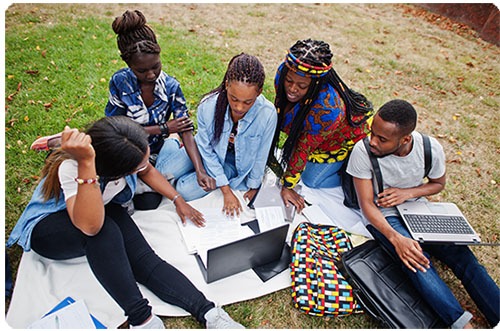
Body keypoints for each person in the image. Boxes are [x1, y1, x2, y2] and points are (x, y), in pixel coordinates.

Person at [7, 116, 245, 329]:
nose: (145, 166)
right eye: (137, 166)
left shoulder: (117, 146)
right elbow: (90, 226)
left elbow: (147, 169)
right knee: (104, 232)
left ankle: (209, 313)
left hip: (101, 207)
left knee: (145, 261)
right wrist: (87, 164)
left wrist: (177, 199)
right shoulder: (73, 167)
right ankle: (142, 320)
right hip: (49, 228)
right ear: (114, 171)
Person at [346, 99, 499, 328]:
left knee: (465, 258)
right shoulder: (362, 152)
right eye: (372, 133)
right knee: (418, 262)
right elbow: (367, 205)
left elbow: (438, 184)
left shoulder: (430, 148)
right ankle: (461, 324)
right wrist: (396, 238)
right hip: (385, 216)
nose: (372, 141)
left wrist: (408, 193)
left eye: (382, 139)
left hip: (418, 209)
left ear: (405, 139)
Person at [105, 9, 215, 206]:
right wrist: (164, 128)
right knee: (136, 200)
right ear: (128, 64)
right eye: (141, 70)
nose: (150, 75)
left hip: (157, 154)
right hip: (129, 154)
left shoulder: (171, 87)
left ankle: (159, 170)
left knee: (150, 198)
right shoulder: (120, 83)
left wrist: (200, 170)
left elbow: (186, 130)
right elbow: (114, 129)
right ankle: (154, 178)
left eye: (155, 66)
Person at [159, 53, 277, 216]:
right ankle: (173, 140)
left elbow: (261, 155)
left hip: (230, 163)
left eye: (247, 102)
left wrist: (253, 185)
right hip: (203, 152)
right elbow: (206, 150)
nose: (239, 107)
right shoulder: (208, 106)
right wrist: (226, 191)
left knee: (183, 190)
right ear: (227, 85)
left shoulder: (268, 114)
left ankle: (179, 153)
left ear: (259, 92)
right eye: (234, 99)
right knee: (163, 173)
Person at [267, 38, 373, 213]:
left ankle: (353, 173)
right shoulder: (283, 72)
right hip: (318, 136)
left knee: (311, 181)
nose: (292, 89)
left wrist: (287, 186)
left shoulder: (328, 110)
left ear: (316, 84)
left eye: (302, 86)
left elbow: (302, 147)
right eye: (289, 81)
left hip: (338, 143)